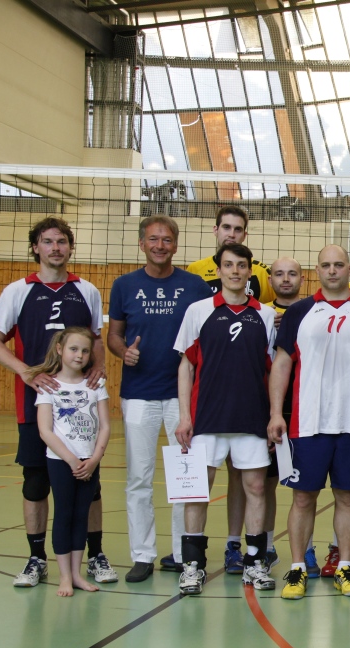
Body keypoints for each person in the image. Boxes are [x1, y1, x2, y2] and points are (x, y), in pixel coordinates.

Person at [0, 217, 109, 588]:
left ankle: (96, 555)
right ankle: (37, 558)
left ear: (70, 247)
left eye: (62, 241)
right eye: (48, 241)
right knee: (36, 482)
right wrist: (26, 372)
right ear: (36, 247)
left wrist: (99, 368)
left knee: (90, 483)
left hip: (82, 408)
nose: (55, 248)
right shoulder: (17, 291)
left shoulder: (86, 290)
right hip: (35, 404)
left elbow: (96, 339)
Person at [269, 244, 350, 600]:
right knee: (302, 498)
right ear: (317, 270)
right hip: (307, 423)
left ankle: (345, 566)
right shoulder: (299, 313)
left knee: (347, 498)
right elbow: (282, 363)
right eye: (326, 265)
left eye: (339, 265)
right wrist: (276, 413)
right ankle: (297, 569)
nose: (333, 271)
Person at [107, 215, 212, 582]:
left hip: (183, 397)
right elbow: (113, 335)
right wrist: (123, 352)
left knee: (186, 478)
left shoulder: (195, 286)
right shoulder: (124, 285)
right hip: (139, 394)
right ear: (142, 244)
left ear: (176, 245)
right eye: (153, 239)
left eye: (166, 240)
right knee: (139, 478)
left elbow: (210, 332)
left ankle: (183, 554)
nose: (160, 245)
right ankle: (142, 555)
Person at [173, 243, 277, 596]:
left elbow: (272, 370)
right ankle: (192, 566)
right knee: (197, 490)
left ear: (250, 271)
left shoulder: (264, 314)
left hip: (251, 418)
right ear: (218, 270)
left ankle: (254, 563)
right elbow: (186, 366)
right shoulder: (198, 311)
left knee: (256, 488)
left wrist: (272, 416)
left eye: (241, 265)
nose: (235, 271)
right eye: (228, 265)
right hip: (207, 418)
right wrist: (184, 416)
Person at [31, 328, 110, 597]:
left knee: (81, 516)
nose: (79, 355)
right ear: (60, 350)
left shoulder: (95, 385)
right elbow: (45, 431)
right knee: (64, 515)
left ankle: (77, 574)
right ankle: (64, 576)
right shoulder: (49, 387)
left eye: (85, 351)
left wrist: (94, 458)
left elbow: (105, 426)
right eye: (74, 349)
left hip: (89, 463)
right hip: (62, 462)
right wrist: (71, 459)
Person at [260, 257, 303, 571]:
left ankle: (308, 550)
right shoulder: (261, 314)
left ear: (302, 278)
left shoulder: (313, 311)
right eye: (279, 274)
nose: (285, 279)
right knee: (266, 483)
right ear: (270, 280)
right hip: (270, 410)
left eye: (292, 273)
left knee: (307, 488)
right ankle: (266, 546)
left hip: (304, 410)